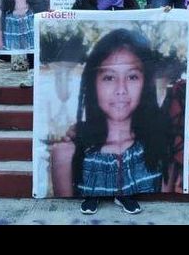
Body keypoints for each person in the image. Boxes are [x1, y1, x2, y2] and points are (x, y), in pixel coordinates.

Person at [50, 29, 174, 215]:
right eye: (109, 77)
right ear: (93, 83)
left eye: (132, 77)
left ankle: (126, 196)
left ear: (145, 83)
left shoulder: (159, 144)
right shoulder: (67, 153)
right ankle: (93, 196)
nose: (121, 89)